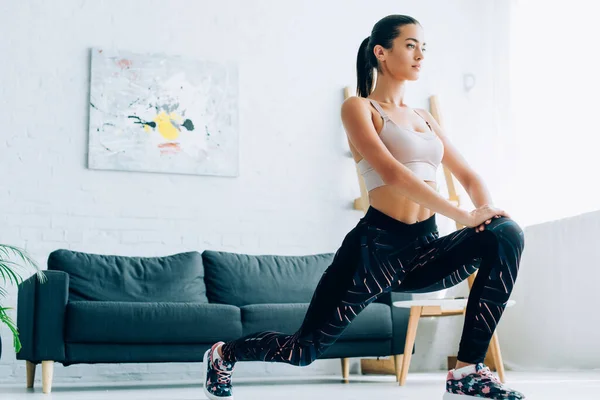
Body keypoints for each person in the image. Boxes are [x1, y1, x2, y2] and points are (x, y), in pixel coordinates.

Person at [202, 14, 526, 400]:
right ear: (381, 52)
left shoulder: (424, 117)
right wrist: (464, 216)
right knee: (303, 349)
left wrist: (484, 209)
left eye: (424, 47)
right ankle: (224, 354)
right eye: (410, 45)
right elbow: (392, 174)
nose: (420, 55)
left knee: (505, 233)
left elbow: (468, 176)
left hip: (424, 247)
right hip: (374, 252)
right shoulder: (359, 108)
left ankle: (466, 374)